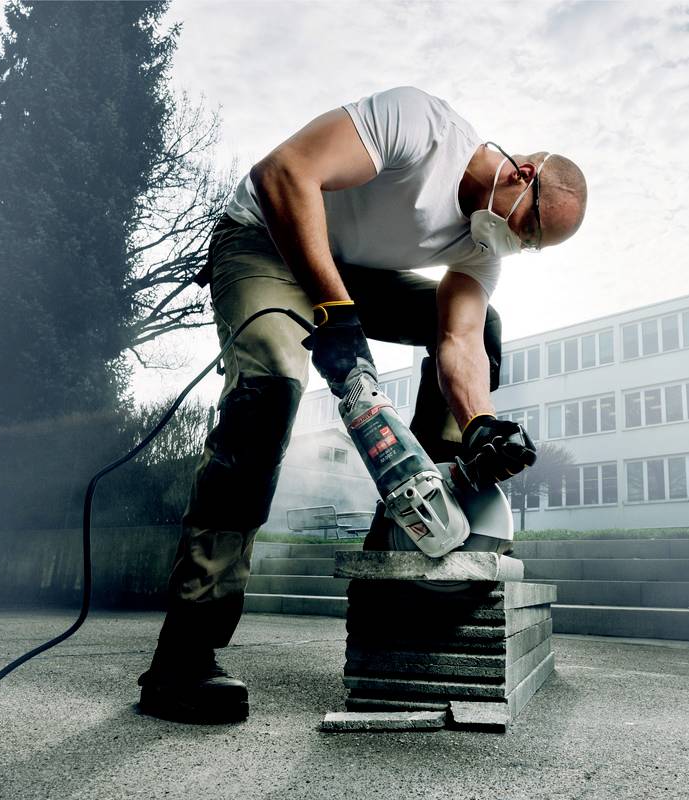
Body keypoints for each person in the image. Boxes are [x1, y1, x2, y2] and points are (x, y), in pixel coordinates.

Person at [137, 86, 588, 723]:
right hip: (265, 237)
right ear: (523, 175)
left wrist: (480, 424)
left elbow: (458, 339)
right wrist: (336, 311)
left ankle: (411, 530)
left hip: (347, 270)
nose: (521, 245)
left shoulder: (483, 247)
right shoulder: (422, 126)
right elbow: (284, 171)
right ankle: (183, 655)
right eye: (530, 228)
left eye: (535, 245)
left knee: (484, 325)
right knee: (271, 390)